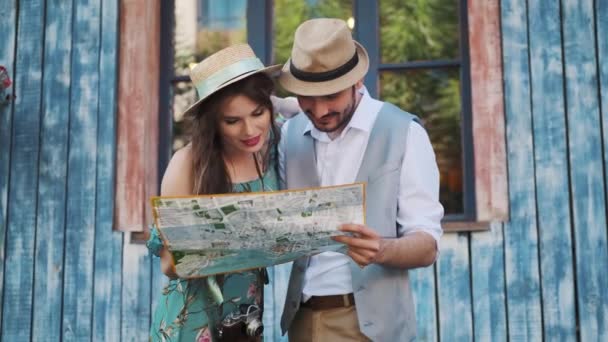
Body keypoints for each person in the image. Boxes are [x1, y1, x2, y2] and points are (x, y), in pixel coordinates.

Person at [277, 18, 444, 341]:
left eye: (331, 95)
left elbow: (427, 246)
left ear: (357, 80)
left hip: (372, 328)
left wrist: (381, 249)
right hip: (301, 322)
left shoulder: (404, 132)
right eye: (306, 97)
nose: (320, 109)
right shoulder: (290, 135)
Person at [147, 44, 286, 342]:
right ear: (213, 122)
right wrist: (231, 237)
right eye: (232, 121)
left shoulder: (271, 146)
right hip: (193, 320)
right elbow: (169, 265)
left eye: (258, 113)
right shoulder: (187, 163)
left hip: (245, 317)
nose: (250, 130)